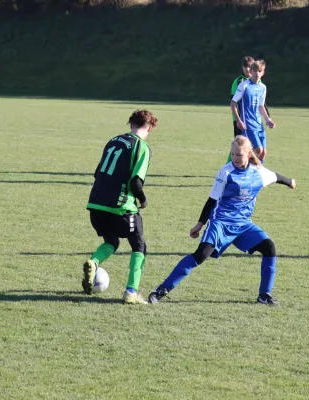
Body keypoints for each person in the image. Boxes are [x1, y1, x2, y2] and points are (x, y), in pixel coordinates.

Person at [148, 135, 296, 306]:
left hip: (243, 224)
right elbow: (212, 200)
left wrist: (290, 182)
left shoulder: (259, 172)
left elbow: (276, 177)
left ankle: (264, 295)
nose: (234, 158)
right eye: (232, 154)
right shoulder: (226, 172)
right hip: (220, 222)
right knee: (201, 255)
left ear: (249, 154)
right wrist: (200, 223)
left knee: (269, 248)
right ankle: (161, 290)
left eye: (238, 155)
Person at [83, 110, 158, 304]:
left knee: (112, 241)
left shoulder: (113, 141)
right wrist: (142, 200)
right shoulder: (142, 147)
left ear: (130, 124)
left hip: (95, 203)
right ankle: (131, 292)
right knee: (139, 245)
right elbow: (136, 182)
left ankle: (94, 262)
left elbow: (97, 172)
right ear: (149, 127)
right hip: (120, 206)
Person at [231, 60, 275, 162]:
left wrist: (268, 120)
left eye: (259, 71)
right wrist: (239, 120)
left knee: (263, 152)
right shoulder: (244, 85)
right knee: (258, 150)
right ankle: (244, 169)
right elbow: (233, 103)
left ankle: (257, 174)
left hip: (258, 123)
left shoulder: (262, 87)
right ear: (251, 71)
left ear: (263, 72)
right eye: (254, 71)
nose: (257, 73)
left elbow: (261, 106)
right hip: (247, 123)